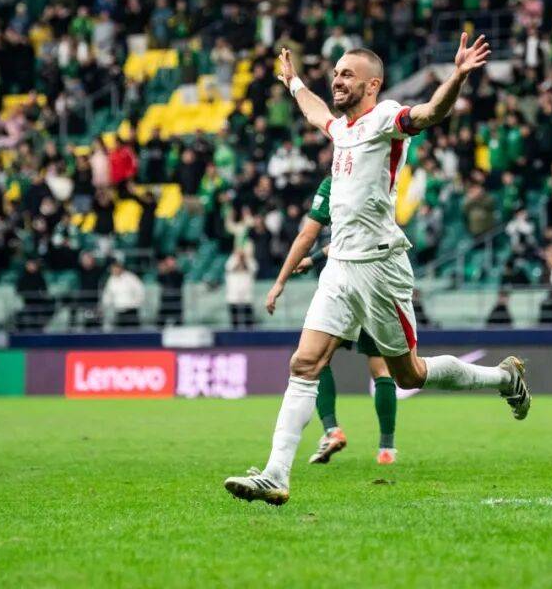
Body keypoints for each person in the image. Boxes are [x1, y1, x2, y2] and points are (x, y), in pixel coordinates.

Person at [225, 35, 530, 506]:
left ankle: (504, 379)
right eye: (335, 74)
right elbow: (316, 113)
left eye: (346, 74)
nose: (337, 80)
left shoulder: (386, 118)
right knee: (304, 363)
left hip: (380, 268)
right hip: (340, 268)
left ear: (372, 84)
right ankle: (275, 474)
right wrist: (293, 82)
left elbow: (430, 113)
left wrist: (457, 76)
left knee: (409, 374)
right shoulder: (342, 129)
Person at [266, 175, 400, 466]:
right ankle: (386, 449)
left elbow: (308, 235)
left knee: (314, 359)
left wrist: (281, 281)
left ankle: (331, 430)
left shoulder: (334, 183)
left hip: (345, 284)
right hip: (378, 282)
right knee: (381, 370)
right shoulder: (378, 179)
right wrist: (314, 259)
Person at [101, 260, 145, 327]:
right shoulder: (111, 280)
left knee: (134, 331)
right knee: (121, 331)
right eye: (113, 269)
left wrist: (137, 302)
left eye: (116, 269)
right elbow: (107, 295)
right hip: (119, 311)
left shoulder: (131, 277)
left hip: (131, 310)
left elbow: (140, 290)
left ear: (120, 268)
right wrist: (105, 306)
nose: (114, 271)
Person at [224, 246, 258, 328]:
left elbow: (254, 267)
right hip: (233, 299)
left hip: (247, 299)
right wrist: (237, 255)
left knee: (249, 323)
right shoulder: (231, 271)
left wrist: (245, 256)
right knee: (234, 322)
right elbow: (228, 266)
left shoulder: (249, 268)